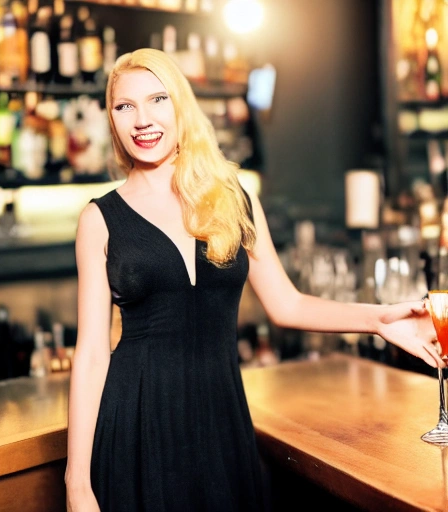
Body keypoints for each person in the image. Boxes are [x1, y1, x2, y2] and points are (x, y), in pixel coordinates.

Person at [65, 48, 444, 512]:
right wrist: (76, 482)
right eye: (125, 107)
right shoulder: (99, 219)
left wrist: (380, 319)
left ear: (180, 105)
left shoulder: (233, 200)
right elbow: (90, 356)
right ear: (112, 120)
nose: (143, 119)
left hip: (221, 419)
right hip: (138, 423)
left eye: (157, 100)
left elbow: (288, 304)